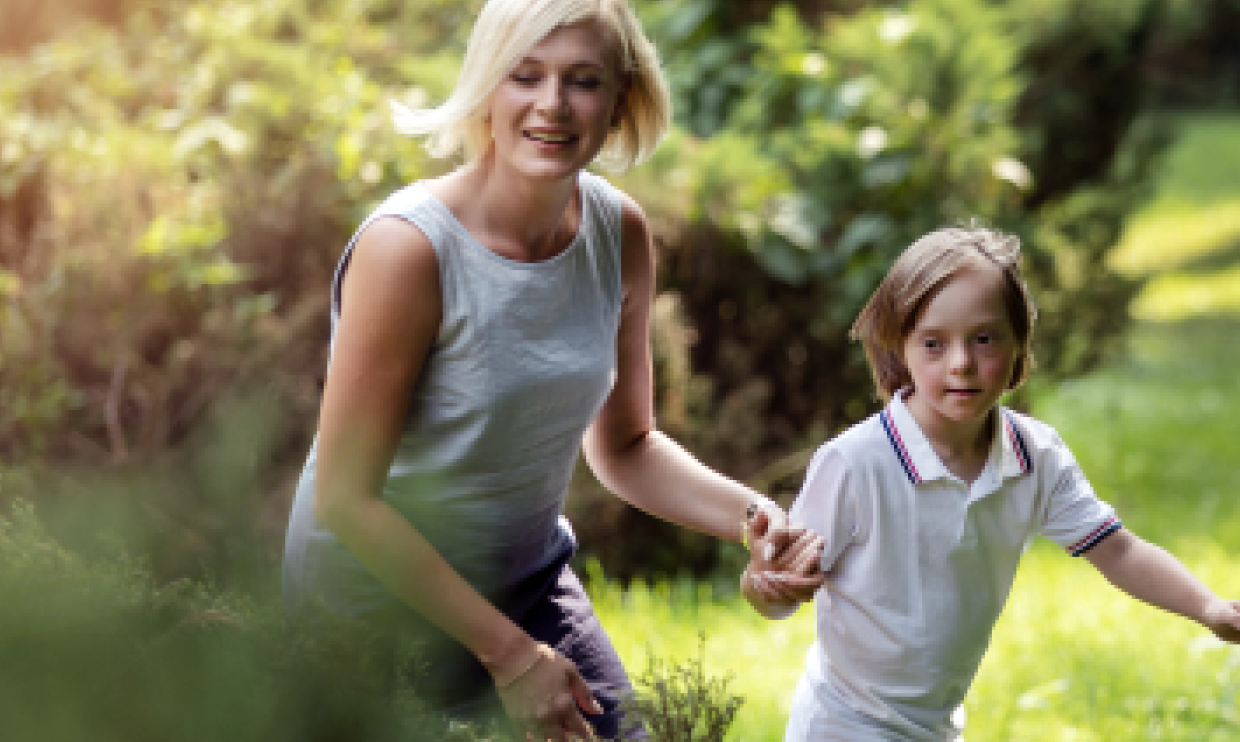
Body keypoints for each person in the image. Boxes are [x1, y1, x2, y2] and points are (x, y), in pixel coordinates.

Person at [280, 1, 825, 739]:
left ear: (621, 99)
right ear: (486, 90)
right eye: (524, 76)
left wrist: (760, 522)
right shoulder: (407, 249)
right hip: (374, 601)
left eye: (582, 81)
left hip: (527, 582)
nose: (552, 105)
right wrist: (509, 656)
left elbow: (626, 447)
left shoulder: (618, 232)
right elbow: (345, 498)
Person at [741, 224, 1240, 740]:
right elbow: (779, 594)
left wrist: (1208, 608)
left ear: (1020, 341)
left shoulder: (1035, 457)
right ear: (900, 349)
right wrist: (762, 582)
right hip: (841, 725)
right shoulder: (855, 463)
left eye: (984, 339)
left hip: (935, 726)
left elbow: (1117, 551)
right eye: (934, 343)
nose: (961, 364)